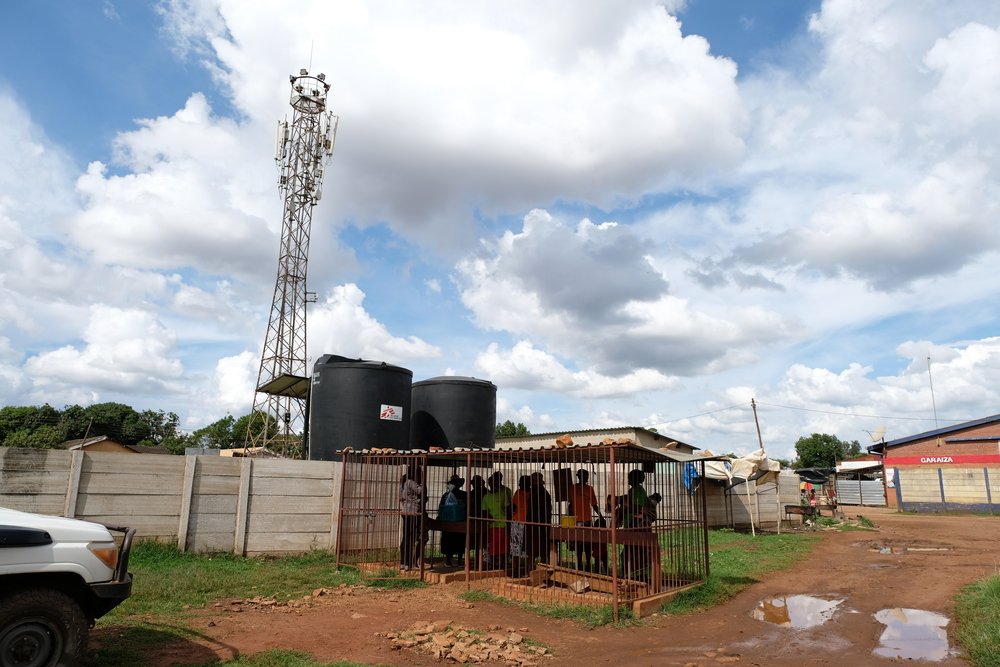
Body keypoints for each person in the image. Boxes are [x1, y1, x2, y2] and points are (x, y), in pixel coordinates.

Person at [568, 469, 602, 571]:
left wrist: (600, 516)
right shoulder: (572, 488)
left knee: (587, 544)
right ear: (579, 477)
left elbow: (594, 504)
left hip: (587, 521)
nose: (585, 478)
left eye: (586, 476)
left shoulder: (589, 489)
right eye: (583, 476)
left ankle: (587, 565)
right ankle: (579, 565)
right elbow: (571, 504)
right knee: (578, 545)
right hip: (576, 521)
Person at [482, 471, 511, 569]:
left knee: (504, 545)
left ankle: (502, 564)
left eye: (496, 482)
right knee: (493, 546)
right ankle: (494, 564)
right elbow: (484, 511)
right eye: (492, 483)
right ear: (489, 484)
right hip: (492, 525)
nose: (494, 484)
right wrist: (489, 518)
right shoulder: (486, 497)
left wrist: (508, 522)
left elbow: (508, 509)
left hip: (503, 524)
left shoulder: (504, 494)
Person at [438, 474, 467, 567]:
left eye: (456, 483)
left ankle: (459, 561)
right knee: (448, 540)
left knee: (460, 540)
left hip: (460, 521)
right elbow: (441, 507)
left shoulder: (464, 494)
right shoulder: (446, 495)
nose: (455, 485)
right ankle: (448, 560)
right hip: (449, 521)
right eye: (453, 483)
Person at [398, 466, 423, 571]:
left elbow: (401, 497)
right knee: (411, 537)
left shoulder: (403, 482)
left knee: (406, 537)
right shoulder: (411, 482)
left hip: (405, 511)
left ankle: (403, 563)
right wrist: (422, 484)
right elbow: (421, 491)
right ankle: (409, 563)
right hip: (412, 512)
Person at [526, 471, 552, 567]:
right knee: (536, 549)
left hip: (539, 525)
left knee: (538, 549)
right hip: (537, 524)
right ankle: (532, 570)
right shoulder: (538, 492)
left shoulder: (541, 493)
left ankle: (541, 570)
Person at [510, 475, 531, 573]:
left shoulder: (528, 493)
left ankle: (526, 568)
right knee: (516, 547)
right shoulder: (518, 493)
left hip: (525, 523)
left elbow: (513, 507)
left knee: (526, 547)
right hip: (517, 522)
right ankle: (516, 568)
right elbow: (513, 507)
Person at [467, 475, 487, 568]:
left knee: (482, 541)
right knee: (480, 541)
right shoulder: (483, 492)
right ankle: (480, 562)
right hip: (477, 519)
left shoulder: (484, 492)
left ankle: (481, 562)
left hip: (481, 519)